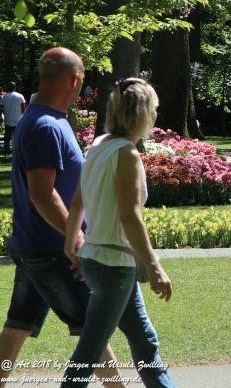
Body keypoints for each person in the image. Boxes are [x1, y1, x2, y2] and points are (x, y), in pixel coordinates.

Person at [0, 48, 125, 386]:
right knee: (93, 332)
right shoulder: (44, 126)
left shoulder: (44, 120)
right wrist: (77, 240)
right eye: (82, 80)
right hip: (54, 250)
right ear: (73, 80)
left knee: (18, 326)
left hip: (35, 247)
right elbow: (43, 194)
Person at [62, 78, 175, 387]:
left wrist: (72, 248)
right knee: (89, 352)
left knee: (145, 343)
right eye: (153, 109)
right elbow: (130, 216)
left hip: (101, 261)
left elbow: (76, 203)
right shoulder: (127, 154)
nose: (155, 115)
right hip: (113, 266)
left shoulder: (98, 146)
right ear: (142, 113)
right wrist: (155, 267)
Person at [3, 82, 26, 158]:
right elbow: (23, 108)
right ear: (15, 87)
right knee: (18, 137)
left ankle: (6, 154)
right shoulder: (20, 96)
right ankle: (17, 153)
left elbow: (1, 107)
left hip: (8, 120)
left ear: (8, 87)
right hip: (18, 120)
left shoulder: (4, 96)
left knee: (7, 138)